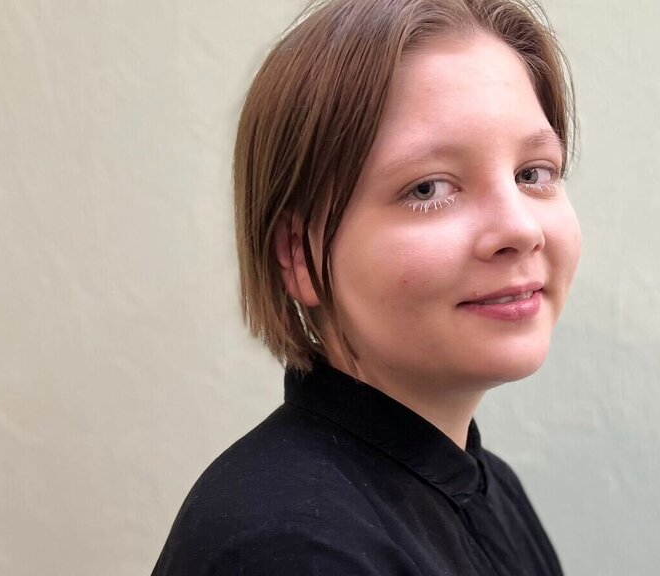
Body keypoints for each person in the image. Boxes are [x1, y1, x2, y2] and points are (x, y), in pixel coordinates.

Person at [153, 0, 581, 573]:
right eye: (429, 188)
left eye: (533, 173)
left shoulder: (488, 488)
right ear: (299, 253)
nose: (521, 230)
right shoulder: (290, 547)